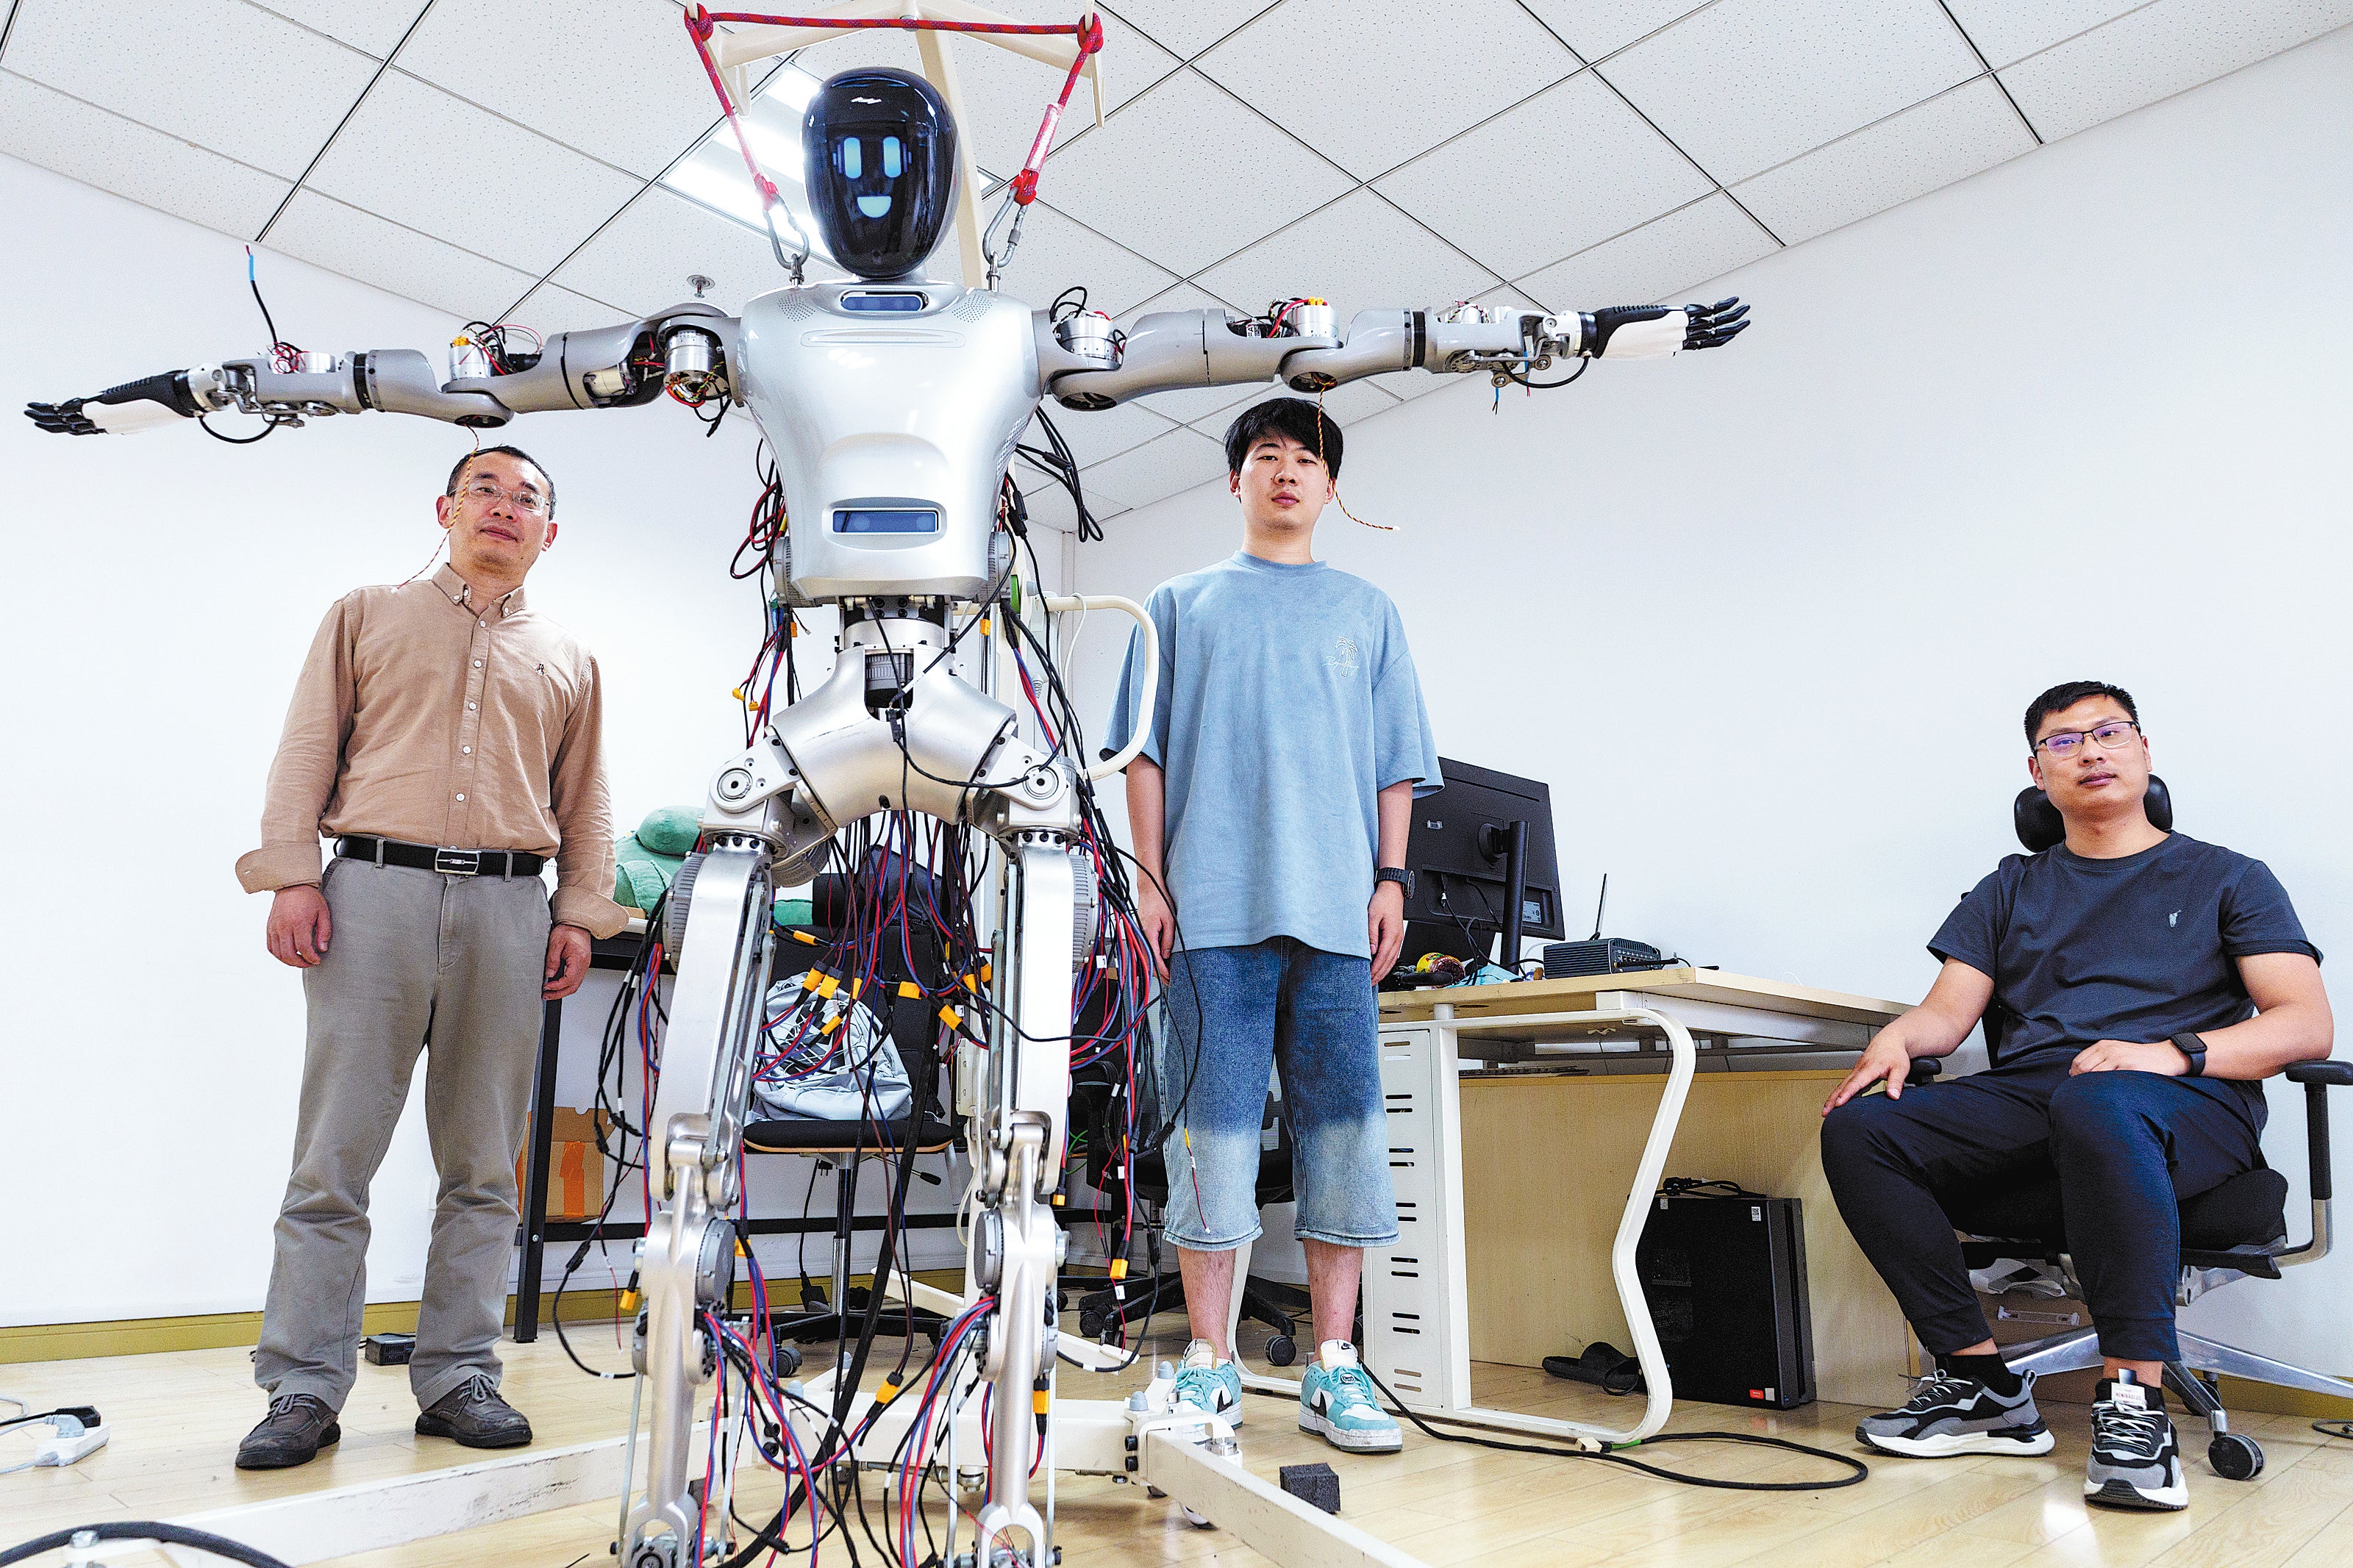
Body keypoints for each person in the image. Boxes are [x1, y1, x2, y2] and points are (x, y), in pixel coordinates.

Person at [1820, 681, 2332, 1511]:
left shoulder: (2226, 876)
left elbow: (2304, 1026)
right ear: (2035, 772)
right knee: (1862, 1126)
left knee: (2102, 1098)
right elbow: (1945, 1017)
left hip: (2185, 1103)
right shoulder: (2009, 888)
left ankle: (2132, 1399)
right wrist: (1898, 1037)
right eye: (2064, 742)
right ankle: (1982, 1385)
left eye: (2107, 733)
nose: (2090, 751)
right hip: (2043, 1095)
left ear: (2142, 752)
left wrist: (2168, 1053)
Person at [230, 447, 626, 1468]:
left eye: (528, 497)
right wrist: (293, 874)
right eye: (486, 490)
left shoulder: (570, 658)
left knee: (486, 1166)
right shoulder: (365, 612)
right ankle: (305, 1386)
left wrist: (578, 912)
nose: (505, 507)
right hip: (371, 894)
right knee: (333, 1159)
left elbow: (586, 801)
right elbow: (307, 748)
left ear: (549, 531)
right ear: (445, 508)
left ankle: (458, 1372)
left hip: (510, 908)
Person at [1104, 396, 1440, 1456]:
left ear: (1331, 488)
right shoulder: (1177, 604)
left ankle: (1335, 1370)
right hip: (1210, 917)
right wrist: (1150, 884)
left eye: (1306, 457)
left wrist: (1392, 878)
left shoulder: (1367, 612)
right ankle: (1209, 1367)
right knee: (1212, 1147)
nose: (1286, 469)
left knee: (1343, 1144)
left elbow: (1398, 764)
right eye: (1265, 455)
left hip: (1338, 920)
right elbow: (1142, 757)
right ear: (1236, 482)